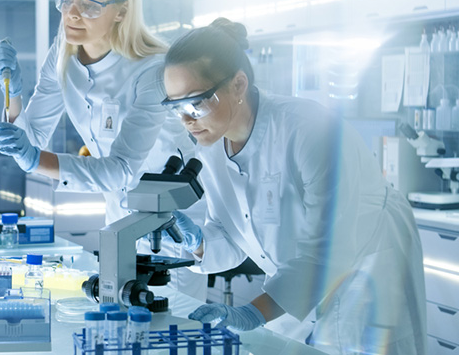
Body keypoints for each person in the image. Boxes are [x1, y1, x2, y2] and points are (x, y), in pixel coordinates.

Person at [161, 18, 426, 354]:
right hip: (296, 277)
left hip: (367, 265)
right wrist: (199, 242)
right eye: (175, 108)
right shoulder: (211, 145)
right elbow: (232, 234)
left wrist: (251, 312)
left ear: (238, 85)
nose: (186, 120)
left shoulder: (309, 131)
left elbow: (328, 251)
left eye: (195, 102)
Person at [0, 0, 205, 300]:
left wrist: (34, 159)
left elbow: (121, 169)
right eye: (66, 0)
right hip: (118, 215)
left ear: (122, 10)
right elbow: (32, 139)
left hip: (172, 219)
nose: (71, 14)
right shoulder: (64, 53)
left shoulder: (152, 71)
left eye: (88, 4)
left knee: (168, 324)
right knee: (119, 318)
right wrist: (9, 89)